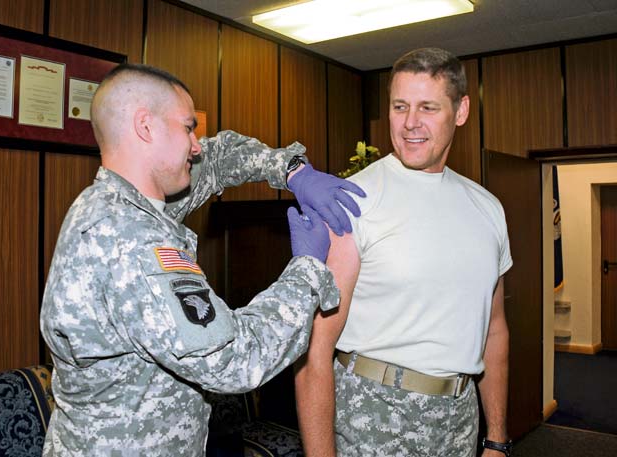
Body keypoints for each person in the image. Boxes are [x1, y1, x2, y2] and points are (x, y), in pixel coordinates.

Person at [40, 63, 366, 456]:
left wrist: (291, 170)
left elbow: (217, 157)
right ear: (146, 127)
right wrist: (309, 268)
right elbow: (237, 359)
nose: (195, 144)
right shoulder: (129, 240)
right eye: (187, 128)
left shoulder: (127, 201)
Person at [294, 48, 513, 457]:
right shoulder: (353, 199)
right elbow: (315, 350)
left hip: (461, 421)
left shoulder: (488, 209)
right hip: (374, 418)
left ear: (461, 110)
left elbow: (494, 329)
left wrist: (496, 437)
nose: (411, 123)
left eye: (428, 107)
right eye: (400, 107)